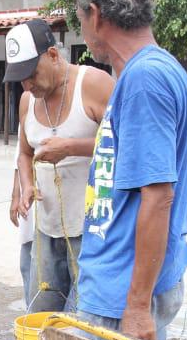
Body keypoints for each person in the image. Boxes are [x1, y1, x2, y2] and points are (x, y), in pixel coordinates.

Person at [74, 0, 187, 340]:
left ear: (94, 14)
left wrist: (137, 305)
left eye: (81, 21)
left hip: (119, 298)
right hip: (118, 285)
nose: (83, 32)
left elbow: (159, 196)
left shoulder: (146, 79)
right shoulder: (153, 71)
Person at [6, 18, 114, 313]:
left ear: (53, 55)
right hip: (47, 226)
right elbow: (25, 153)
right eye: (21, 79)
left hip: (92, 230)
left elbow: (127, 145)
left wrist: (70, 147)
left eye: (32, 74)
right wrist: (27, 186)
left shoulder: (93, 84)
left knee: (86, 317)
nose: (27, 85)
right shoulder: (28, 100)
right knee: (41, 312)